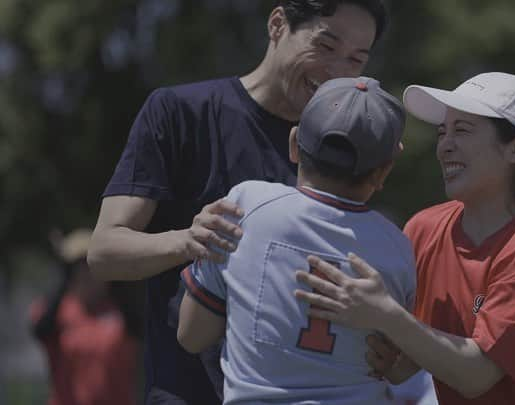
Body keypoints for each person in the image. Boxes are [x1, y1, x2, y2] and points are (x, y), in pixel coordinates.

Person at [87, 1, 387, 403]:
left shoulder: (345, 156)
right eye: (326, 46)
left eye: (356, 59)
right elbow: (105, 251)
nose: (336, 71)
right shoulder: (180, 112)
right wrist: (188, 240)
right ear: (278, 24)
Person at [295, 72, 515, 404]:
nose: (444, 145)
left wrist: (386, 316)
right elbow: (415, 354)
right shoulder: (424, 228)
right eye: (442, 132)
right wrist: (395, 355)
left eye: (462, 131)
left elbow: (476, 374)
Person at [176, 76, 415, 404]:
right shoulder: (398, 248)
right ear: (382, 172)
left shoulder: (247, 204)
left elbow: (192, 334)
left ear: (293, 144)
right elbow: (398, 366)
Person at [30, 229, 138, 405]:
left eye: (93, 268)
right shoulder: (57, 311)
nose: (88, 275)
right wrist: (63, 277)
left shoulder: (120, 309)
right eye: (80, 268)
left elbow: (137, 327)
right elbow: (40, 330)